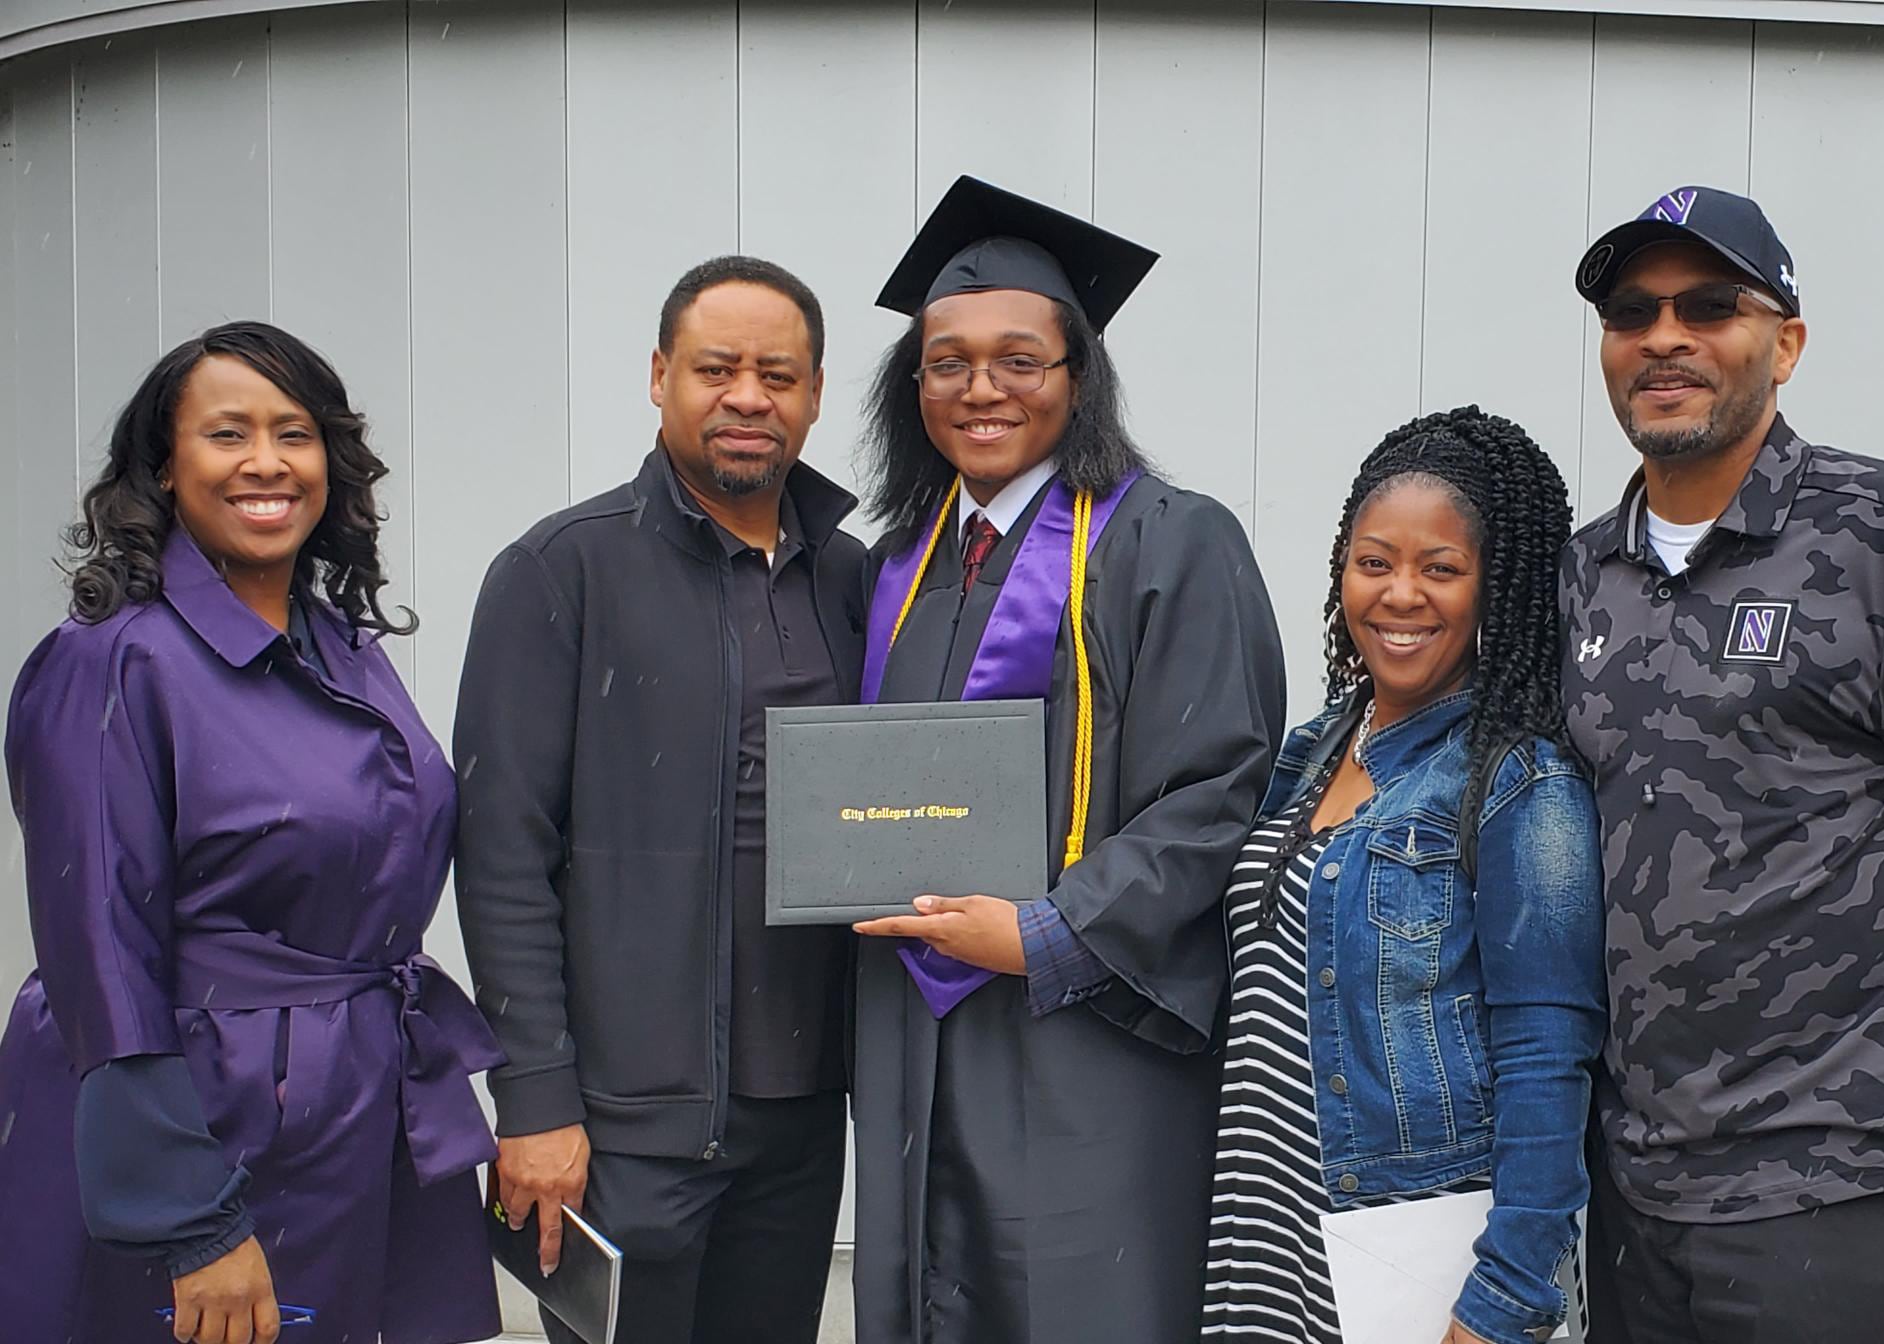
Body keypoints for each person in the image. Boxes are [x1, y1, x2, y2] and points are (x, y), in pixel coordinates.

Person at [1564, 185, 1884, 1341]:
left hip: (1842, 1157)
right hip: (1637, 1172)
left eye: (1710, 305)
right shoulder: (1579, 577)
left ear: (1787, 341)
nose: (1664, 337)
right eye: (1632, 312)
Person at [847, 175, 1288, 1344]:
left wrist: (1047, 931)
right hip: (914, 1032)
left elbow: (1221, 790)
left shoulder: (1173, 540)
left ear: (1077, 377)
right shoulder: (895, 567)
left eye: (1018, 359)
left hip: (1087, 1027)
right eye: (947, 361)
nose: (980, 388)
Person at [0, 321, 504, 1344]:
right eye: (228, 434)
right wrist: (188, 1219)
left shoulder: (336, 642)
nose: (268, 462)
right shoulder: (111, 661)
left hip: (356, 1097)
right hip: (207, 1118)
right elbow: (101, 959)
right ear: (165, 469)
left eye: (296, 433)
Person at [454, 256, 865, 1344]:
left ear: (815, 393)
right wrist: (534, 1098)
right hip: (625, 1128)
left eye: (777, 374)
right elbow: (502, 852)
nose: (747, 397)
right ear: (658, 377)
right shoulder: (559, 572)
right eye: (715, 368)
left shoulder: (856, 580)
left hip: (801, 1118)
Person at [1199, 407, 1604, 1344]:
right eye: (1374, 562)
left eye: (1442, 569)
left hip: (1411, 1244)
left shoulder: (1518, 780)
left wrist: (1504, 1298)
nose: (1401, 595)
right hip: (1264, 1235)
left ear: (1494, 589)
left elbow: (1549, 1055)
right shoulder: (1310, 752)